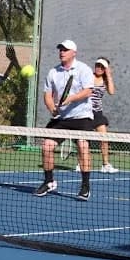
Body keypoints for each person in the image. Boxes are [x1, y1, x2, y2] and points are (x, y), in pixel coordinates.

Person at [33, 39, 95, 201]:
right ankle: (49, 181)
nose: (62, 52)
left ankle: (85, 186)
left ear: (74, 53)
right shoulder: (53, 72)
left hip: (82, 117)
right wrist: (52, 109)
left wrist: (71, 99)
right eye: (60, 49)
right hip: (62, 118)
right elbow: (47, 95)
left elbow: (88, 91)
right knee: (46, 146)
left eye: (65, 50)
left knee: (82, 146)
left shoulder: (84, 69)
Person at [75, 57, 118, 173]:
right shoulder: (88, 76)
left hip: (98, 113)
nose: (99, 68)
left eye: (102, 67)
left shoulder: (106, 80)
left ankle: (105, 164)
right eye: (98, 65)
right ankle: (81, 163)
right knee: (83, 140)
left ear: (106, 69)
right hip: (84, 112)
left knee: (104, 139)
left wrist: (109, 75)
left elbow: (111, 92)